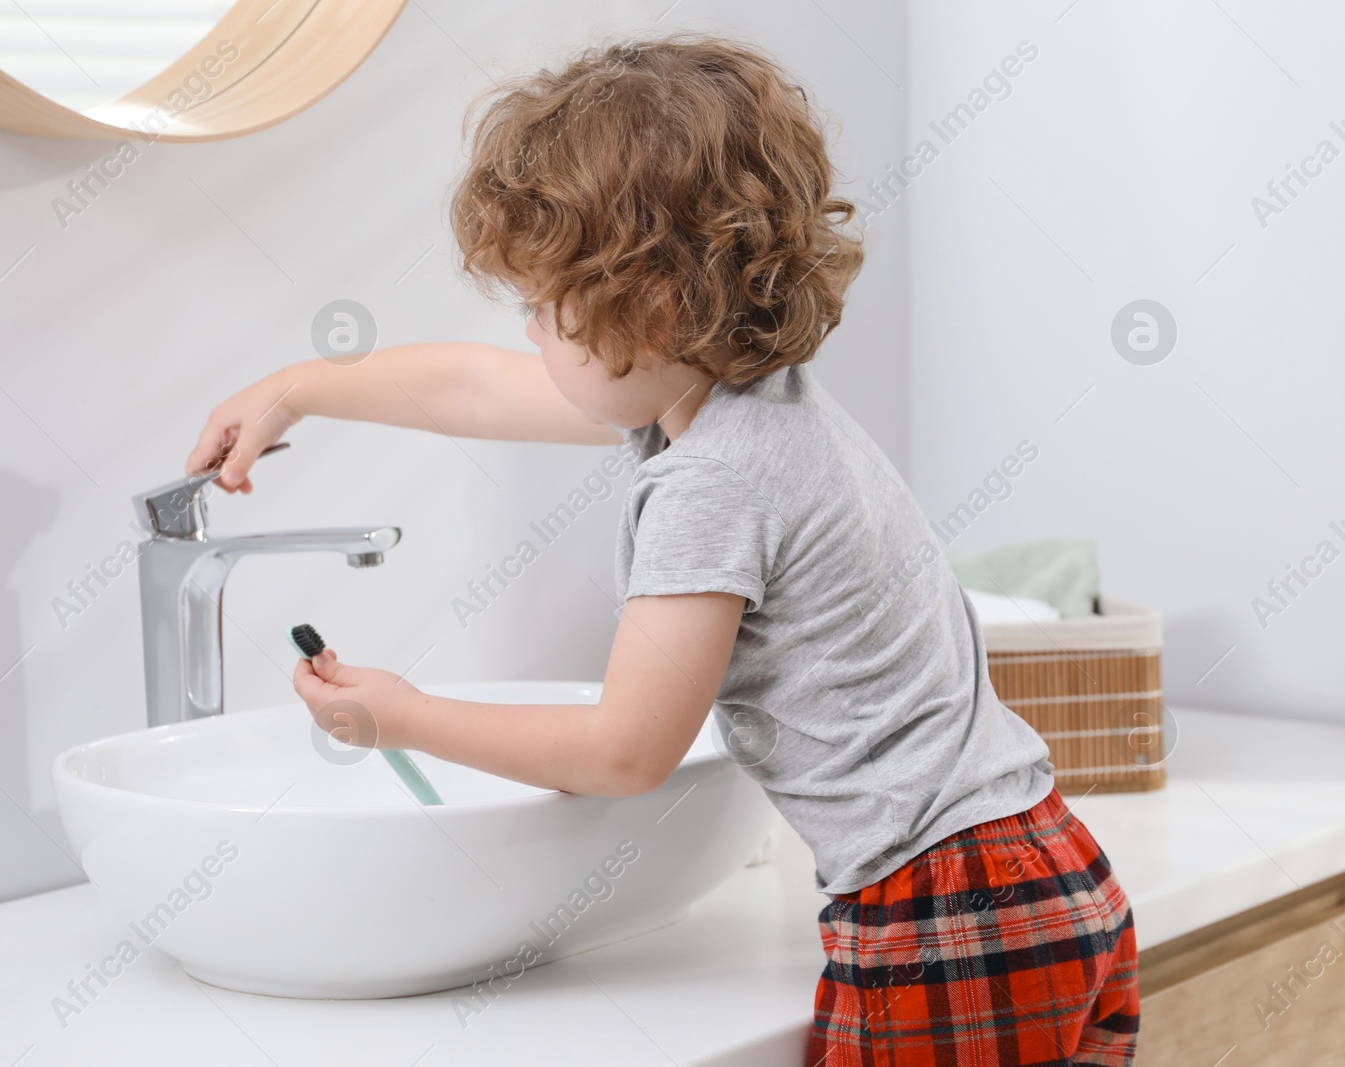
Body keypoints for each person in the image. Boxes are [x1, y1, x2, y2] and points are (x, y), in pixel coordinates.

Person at [185, 33, 1138, 1065]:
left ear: (649, 308)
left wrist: (398, 714)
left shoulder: (711, 480)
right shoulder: (746, 406)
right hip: (1046, 872)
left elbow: (624, 751)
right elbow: (469, 387)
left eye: (545, 310)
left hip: (943, 918)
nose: (533, 339)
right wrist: (299, 387)